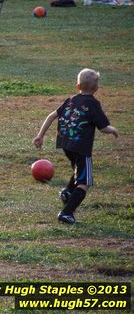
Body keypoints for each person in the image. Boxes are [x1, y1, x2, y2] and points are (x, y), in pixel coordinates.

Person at [32, 68, 119, 225]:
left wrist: (40, 135)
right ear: (96, 89)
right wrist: (112, 130)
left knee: (78, 169)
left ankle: (67, 192)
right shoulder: (93, 104)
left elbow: (51, 116)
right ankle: (66, 213)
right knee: (84, 182)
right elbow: (103, 128)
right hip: (81, 148)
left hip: (66, 145)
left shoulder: (70, 100)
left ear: (77, 86)